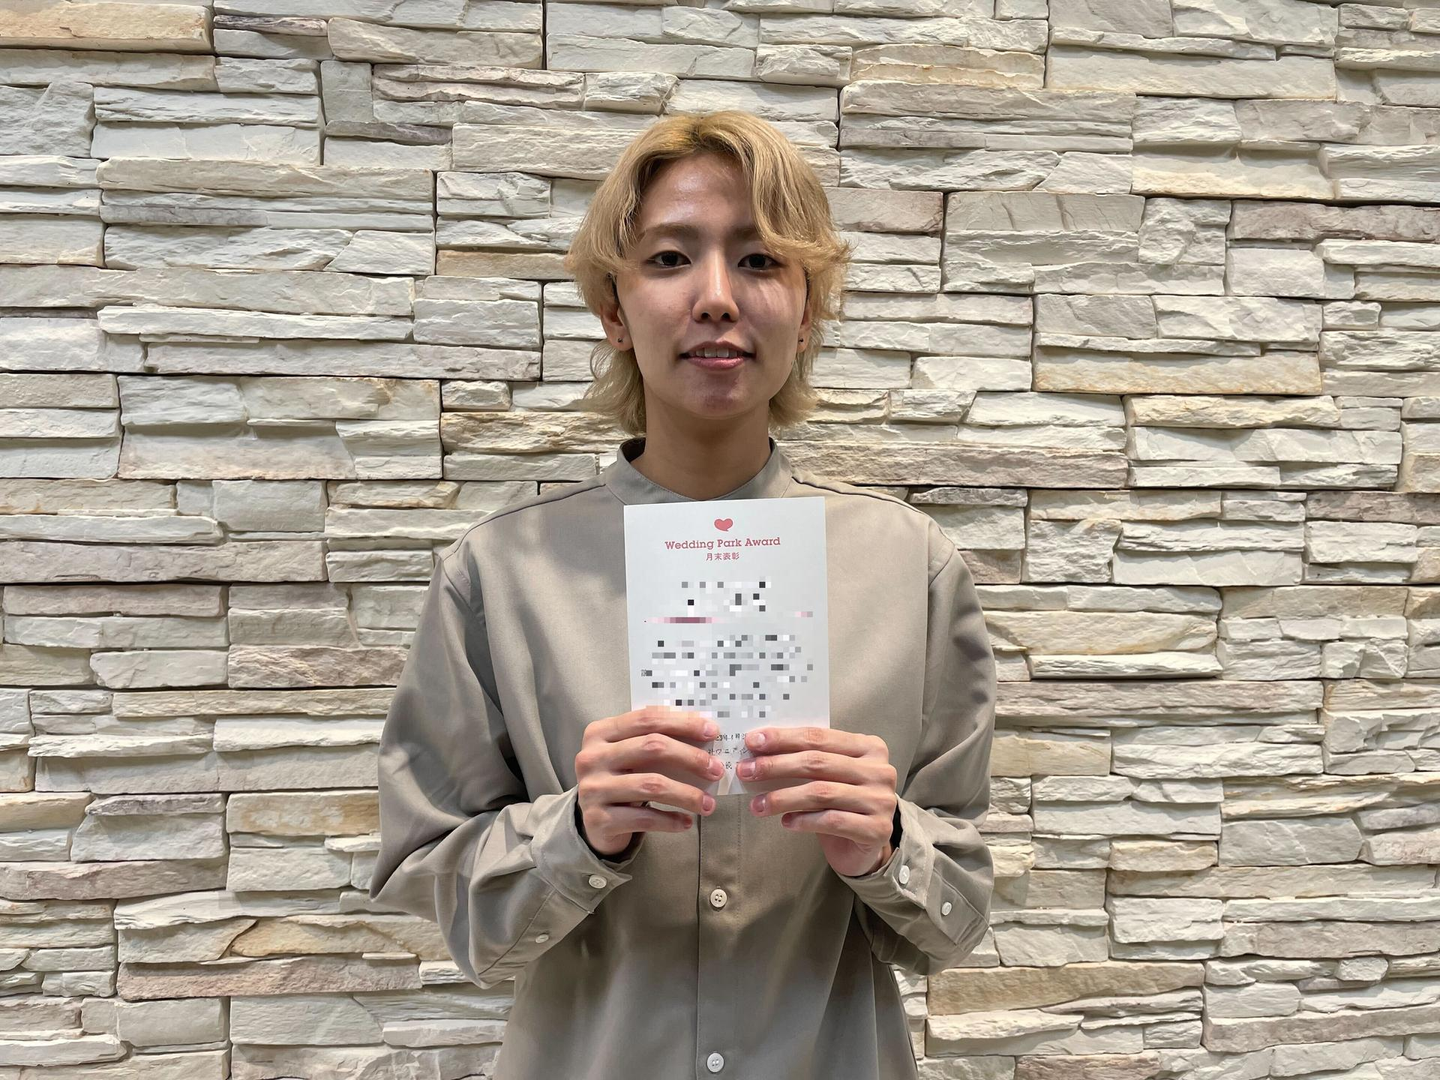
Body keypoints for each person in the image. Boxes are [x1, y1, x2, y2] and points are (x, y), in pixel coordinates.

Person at [367, 110, 997, 1080]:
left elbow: (956, 919)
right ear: (613, 311)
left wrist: (887, 847)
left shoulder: (911, 570)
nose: (715, 298)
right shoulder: (499, 574)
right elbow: (438, 891)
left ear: (809, 307)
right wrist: (576, 832)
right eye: (669, 259)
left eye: (760, 260)